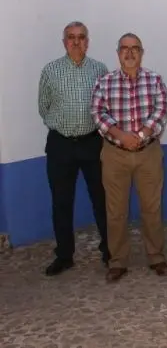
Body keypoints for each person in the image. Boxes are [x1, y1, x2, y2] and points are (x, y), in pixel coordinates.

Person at [90, 33, 167, 282]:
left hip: (148, 153)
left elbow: (161, 111)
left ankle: (156, 256)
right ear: (118, 53)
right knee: (115, 210)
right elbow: (97, 113)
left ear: (142, 53)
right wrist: (121, 135)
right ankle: (117, 261)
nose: (130, 52)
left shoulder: (154, 80)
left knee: (152, 208)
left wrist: (142, 134)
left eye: (135, 48)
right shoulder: (104, 82)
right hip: (115, 154)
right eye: (124, 48)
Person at [37, 21, 109, 276]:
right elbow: (43, 107)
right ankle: (64, 255)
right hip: (61, 145)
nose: (76, 42)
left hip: (92, 143)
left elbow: (105, 106)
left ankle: (109, 250)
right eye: (71, 37)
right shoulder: (51, 70)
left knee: (101, 198)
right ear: (64, 42)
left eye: (81, 37)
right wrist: (61, 126)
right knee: (61, 202)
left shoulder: (99, 69)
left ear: (87, 41)